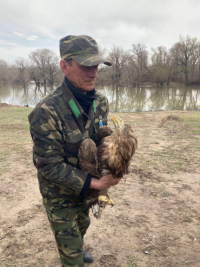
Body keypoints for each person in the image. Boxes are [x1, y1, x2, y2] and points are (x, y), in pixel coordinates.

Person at [28, 35, 121, 267]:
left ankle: (77, 247)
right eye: (85, 65)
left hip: (85, 192)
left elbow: (100, 140)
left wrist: (115, 157)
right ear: (64, 66)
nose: (94, 72)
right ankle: (72, 255)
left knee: (82, 225)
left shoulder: (100, 101)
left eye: (96, 65)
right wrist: (96, 183)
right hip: (60, 195)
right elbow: (48, 165)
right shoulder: (46, 111)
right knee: (71, 258)